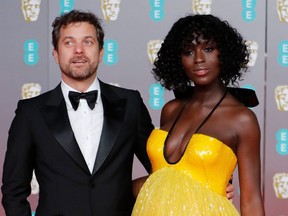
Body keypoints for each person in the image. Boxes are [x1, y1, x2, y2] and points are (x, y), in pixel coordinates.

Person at [1, 10, 154, 216]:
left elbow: (159, 169)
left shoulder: (131, 103)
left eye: (88, 42)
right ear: (55, 54)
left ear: (101, 53)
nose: (79, 50)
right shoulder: (30, 113)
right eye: (69, 43)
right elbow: (13, 190)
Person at [132, 14, 265, 215]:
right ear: (178, 59)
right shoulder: (171, 110)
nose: (199, 59)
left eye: (208, 49)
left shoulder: (242, 119)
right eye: (188, 51)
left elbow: (251, 200)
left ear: (224, 54)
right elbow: (164, 178)